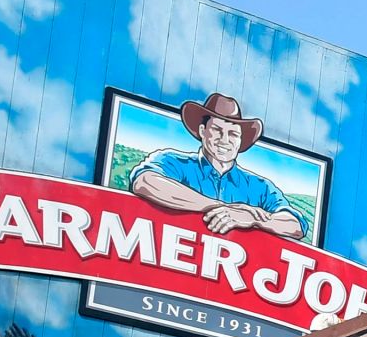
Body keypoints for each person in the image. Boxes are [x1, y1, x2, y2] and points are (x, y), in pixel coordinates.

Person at [128, 92, 305, 239]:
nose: (225, 140)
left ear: (240, 141)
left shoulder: (259, 187)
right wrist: (218, 206)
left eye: (233, 134)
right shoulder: (174, 162)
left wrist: (253, 219)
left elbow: (295, 224)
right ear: (202, 131)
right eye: (217, 131)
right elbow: (145, 182)